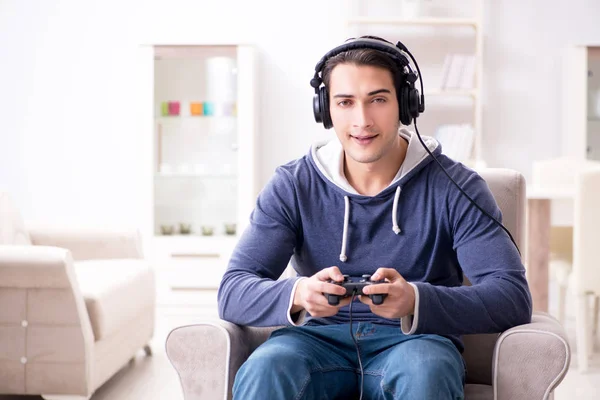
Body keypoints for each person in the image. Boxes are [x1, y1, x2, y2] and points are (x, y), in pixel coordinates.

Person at [217, 35, 532, 400]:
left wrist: (416, 300)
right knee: (265, 370)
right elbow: (233, 290)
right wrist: (299, 293)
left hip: (415, 341)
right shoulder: (293, 184)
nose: (362, 120)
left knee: (425, 372)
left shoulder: (457, 187)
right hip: (312, 341)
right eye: (345, 102)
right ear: (325, 109)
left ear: (406, 105)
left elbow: (511, 298)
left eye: (378, 100)